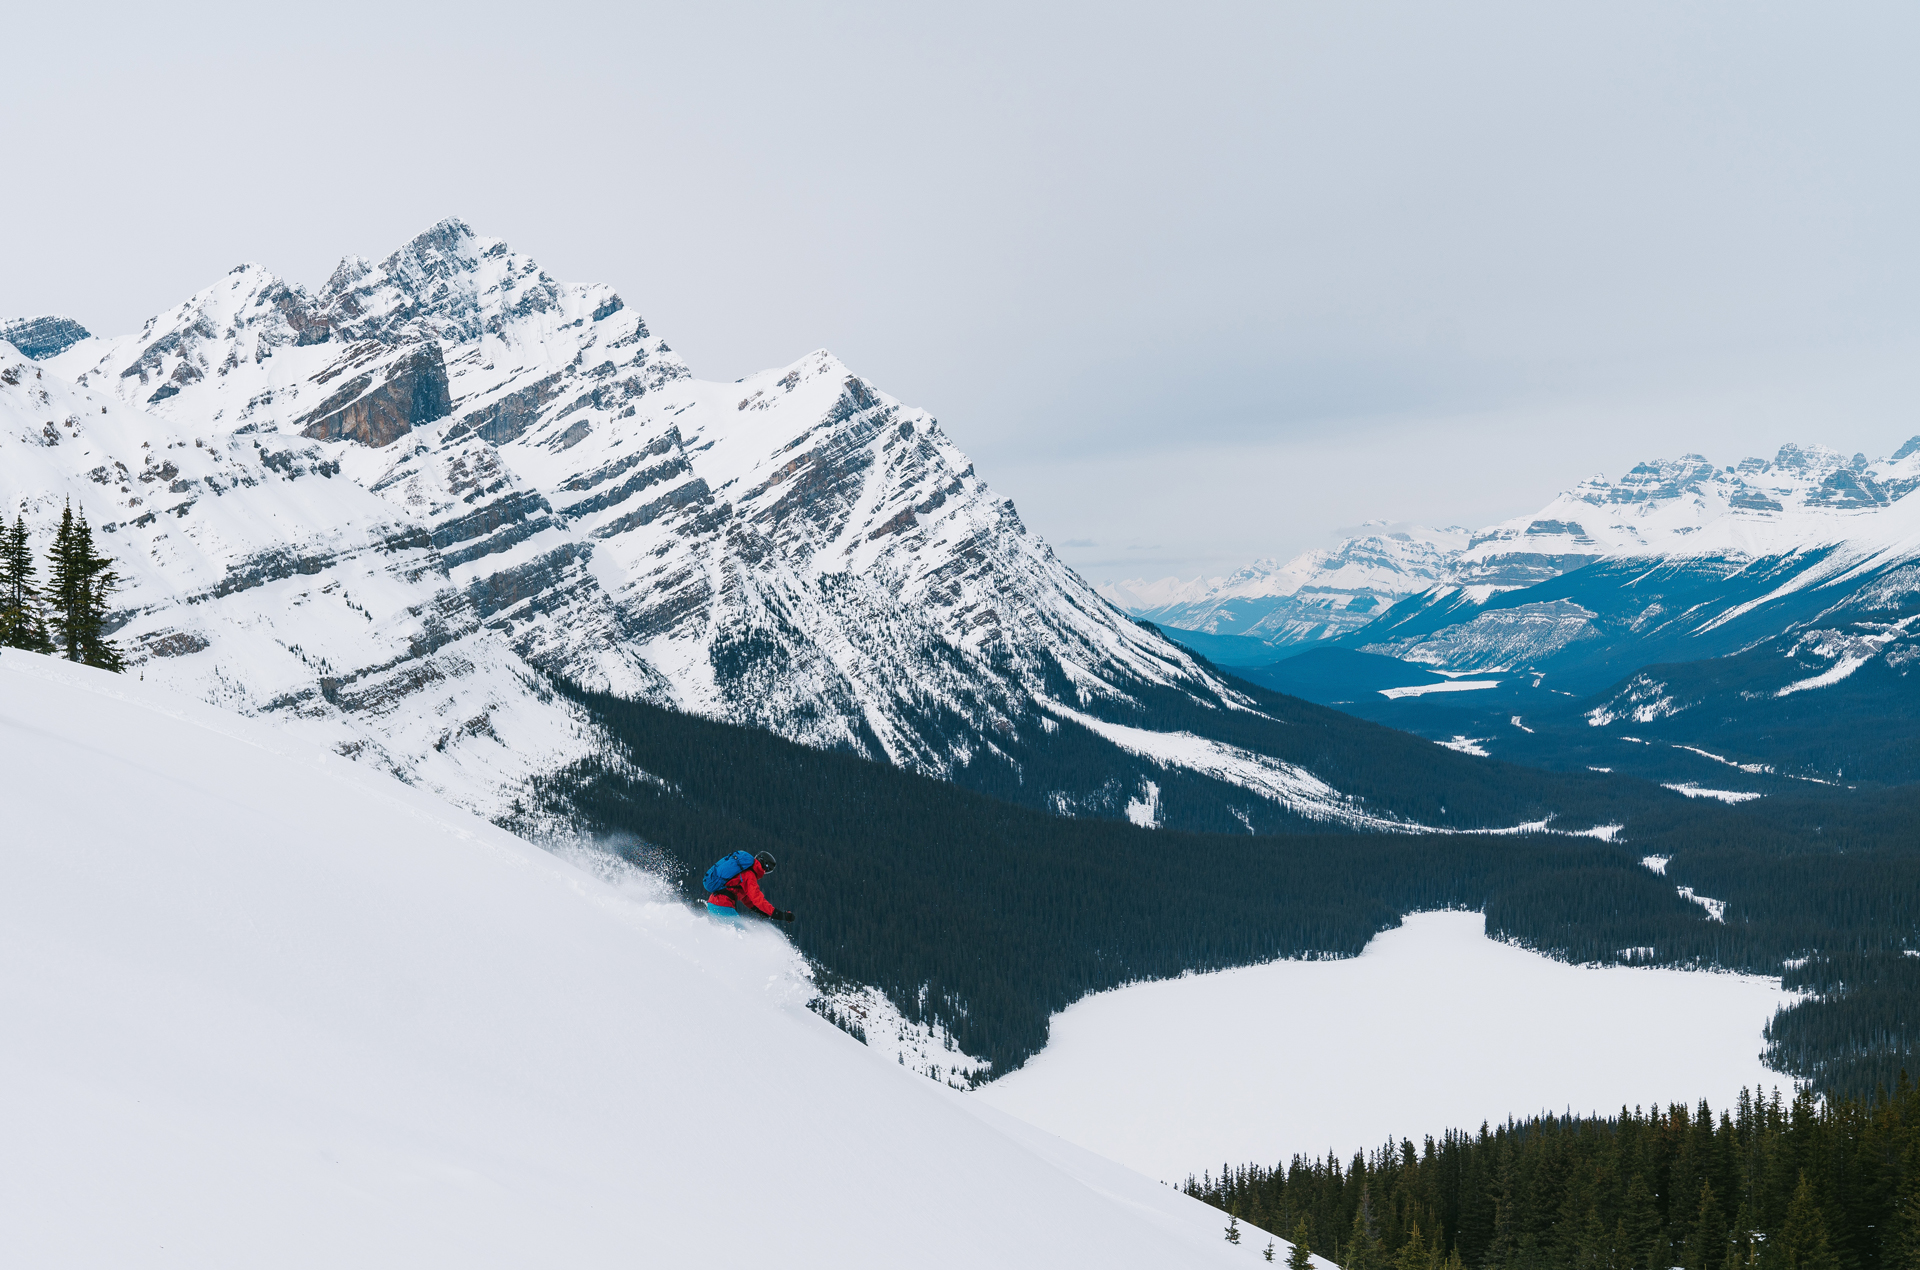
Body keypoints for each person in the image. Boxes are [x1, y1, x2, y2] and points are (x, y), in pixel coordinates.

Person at [705, 850, 795, 925]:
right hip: (722, 905)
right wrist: (779, 914)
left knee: (728, 935)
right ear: (764, 866)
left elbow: (747, 899)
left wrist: (761, 912)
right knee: (740, 935)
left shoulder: (744, 872)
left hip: (714, 904)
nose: (765, 872)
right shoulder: (749, 875)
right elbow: (757, 899)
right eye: (768, 870)